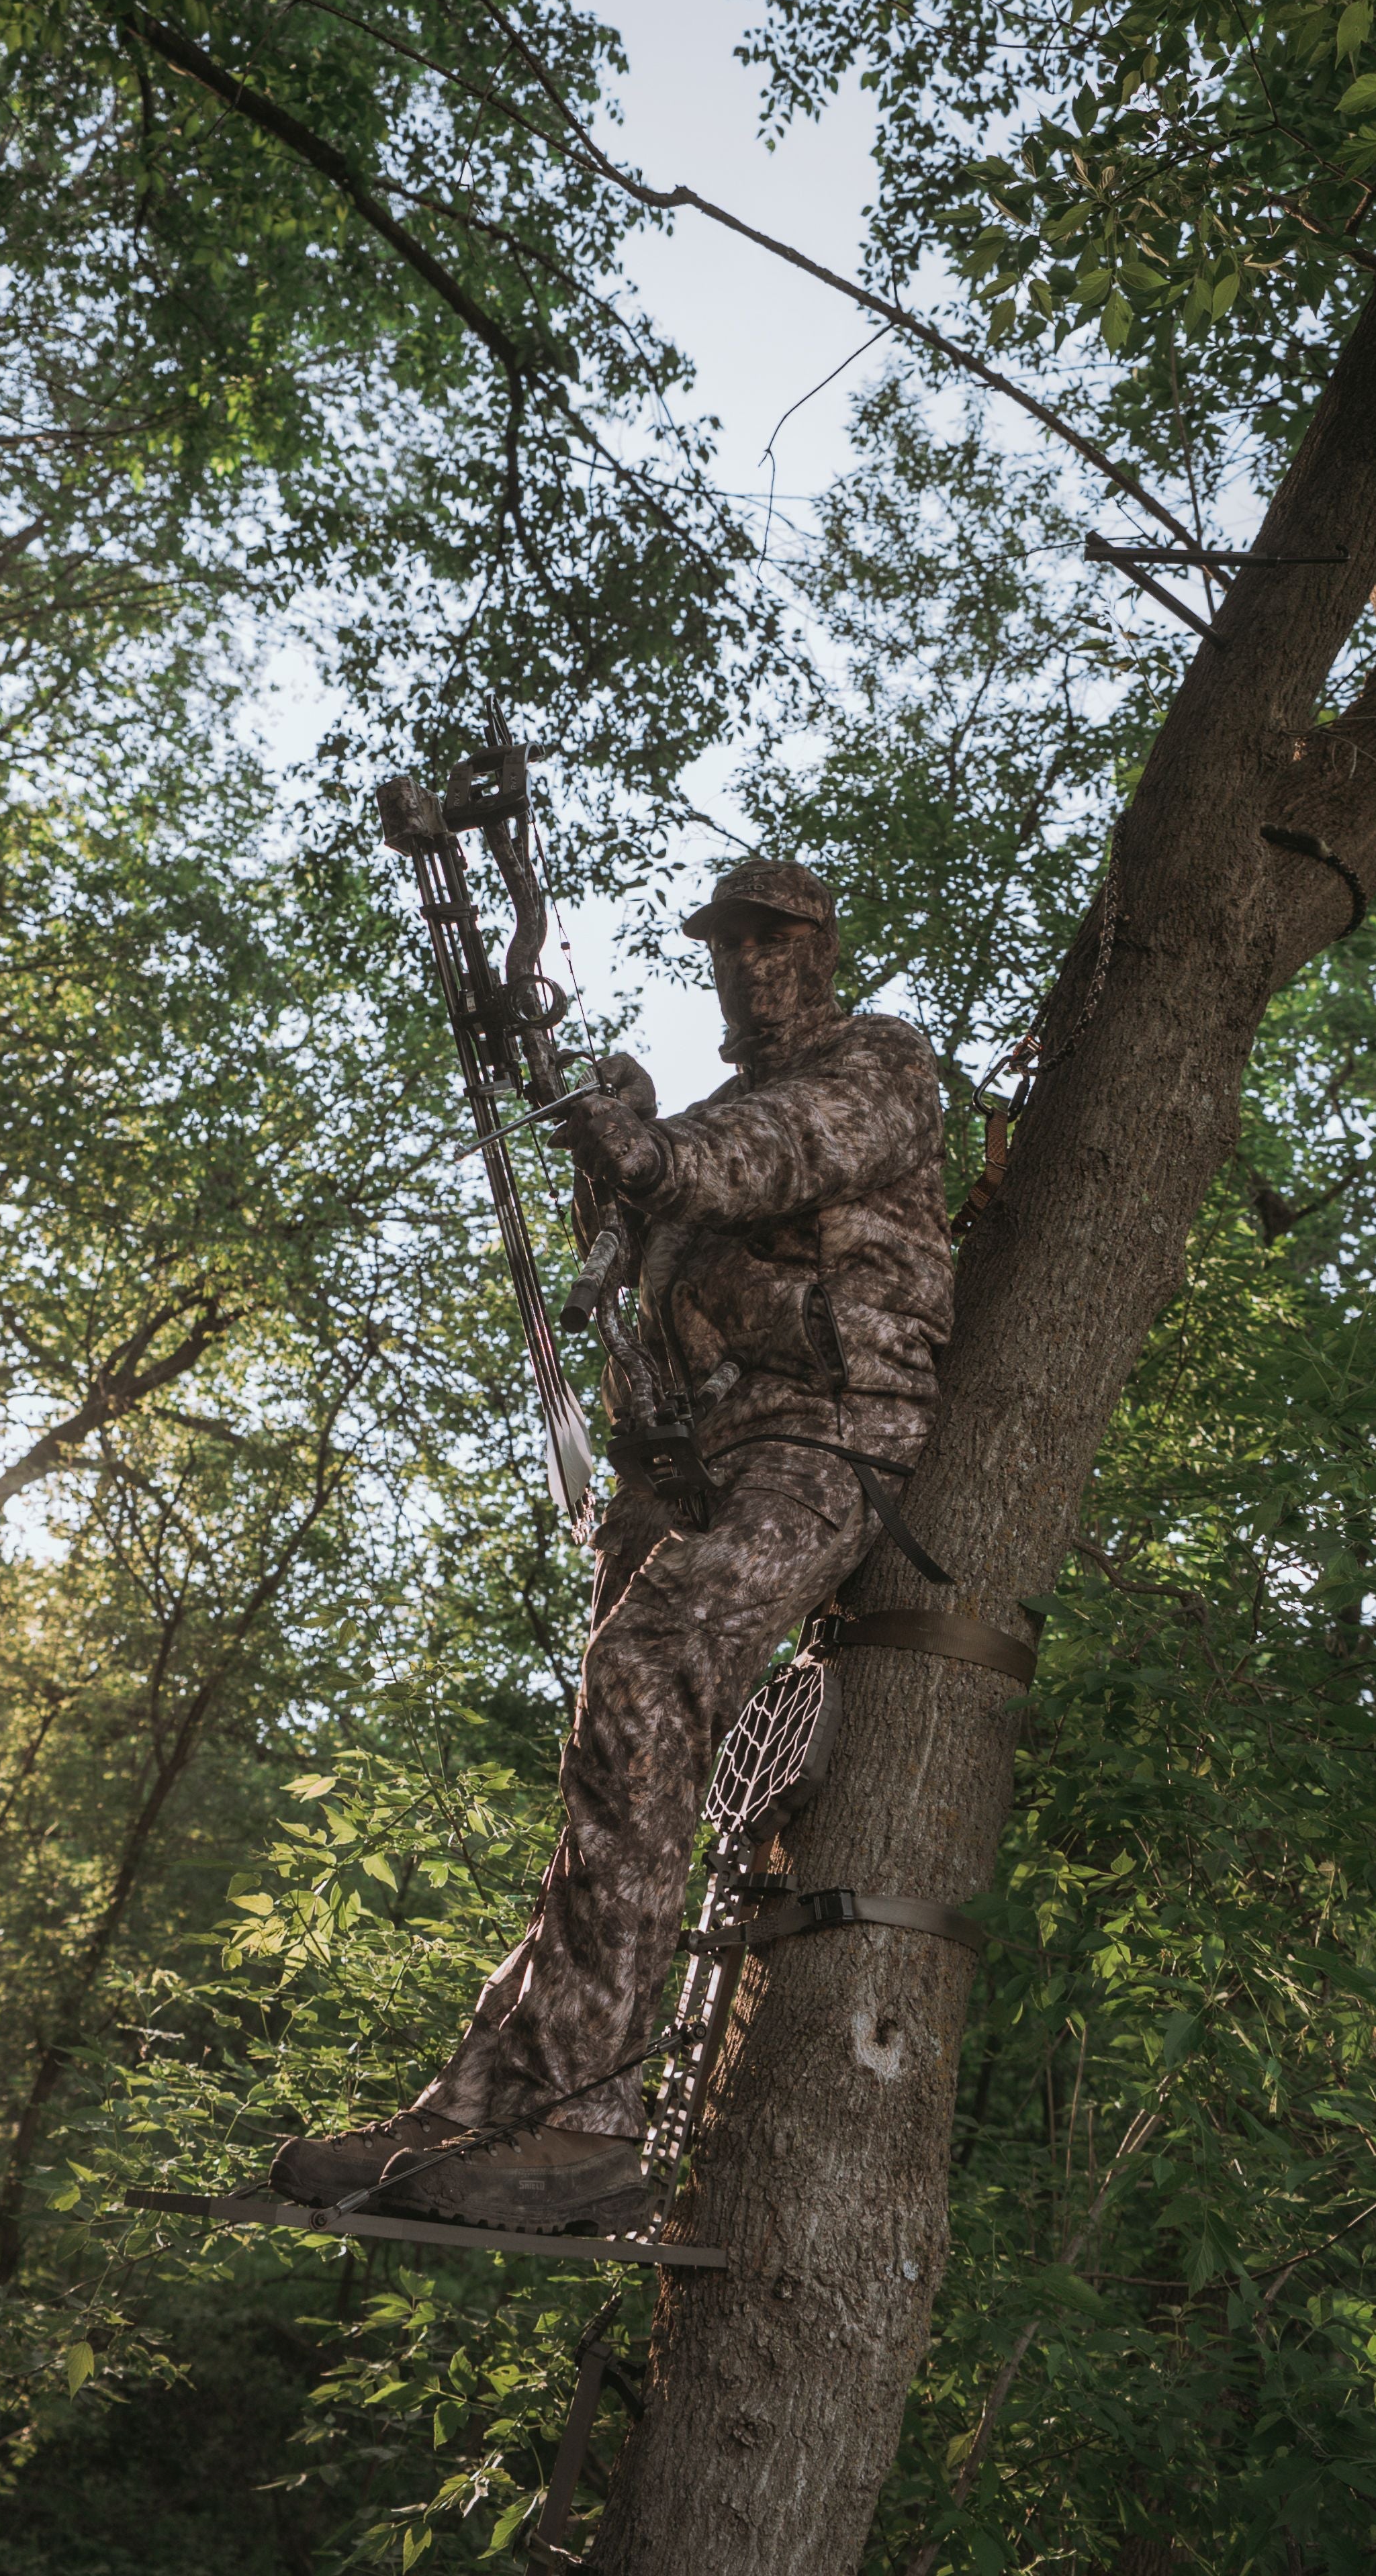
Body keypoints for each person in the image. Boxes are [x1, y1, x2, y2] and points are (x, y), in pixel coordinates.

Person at [271, 859, 954, 2232]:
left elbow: (768, 1153)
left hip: (826, 1436)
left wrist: (650, 1154)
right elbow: (650, 1219)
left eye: (776, 938)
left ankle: (585, 2126)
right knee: (616, 1756)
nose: (750, 964)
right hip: (693, 1456)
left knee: (647, 1667)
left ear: (823, 947)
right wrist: (616, 1148)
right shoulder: (711, 1115)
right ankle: (483, 2106)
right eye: (729, 942)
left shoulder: (877, 1065)